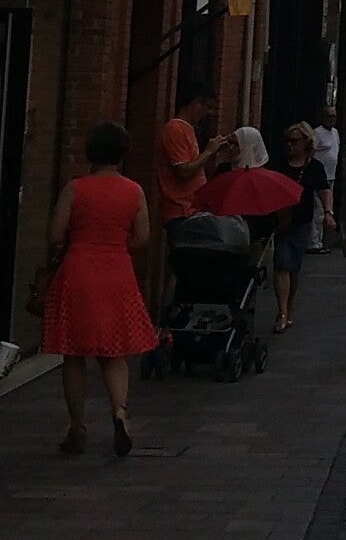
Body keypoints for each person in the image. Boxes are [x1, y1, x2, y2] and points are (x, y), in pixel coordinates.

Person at [39, 122, 159, 458]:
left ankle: (77, 428)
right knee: (113, 353)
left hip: (77, 272)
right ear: (122, 154)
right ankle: (119, 412)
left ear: (91, 152)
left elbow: (55, 234)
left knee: (73, 353)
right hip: (117, 273)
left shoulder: (76, 188)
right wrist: (115, 245)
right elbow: (143, 237)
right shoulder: (134, 191)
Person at [196, 128, 306, 329]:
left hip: (257, 236)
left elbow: (278, 210)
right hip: (227, 236)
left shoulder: (266, 174)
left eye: (235, 144)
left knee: (250, 278)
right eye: (230, 143)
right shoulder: (224, 170)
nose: (231, 149)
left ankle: (247, 319)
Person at [155, 92, 233, 243]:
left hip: (193, 210)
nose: (209, 113)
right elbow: (184, 171)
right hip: (181, 210)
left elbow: (195, 167)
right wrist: (208, 152)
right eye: (207, 107)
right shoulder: (175, 129)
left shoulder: (189, 129)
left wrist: (213, 152)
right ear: (196, 103)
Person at [279, 117, 334, 285]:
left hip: (302, 219)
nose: (290, 144)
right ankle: (283, 303)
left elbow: (324, 190)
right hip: (280, 218)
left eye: (294, 141)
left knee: (294, 264)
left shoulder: (314, 167)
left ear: (305, 142)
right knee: (281, 263)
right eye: (287, 141)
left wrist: (328, 212)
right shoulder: (279, 164)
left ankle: (289, 300)